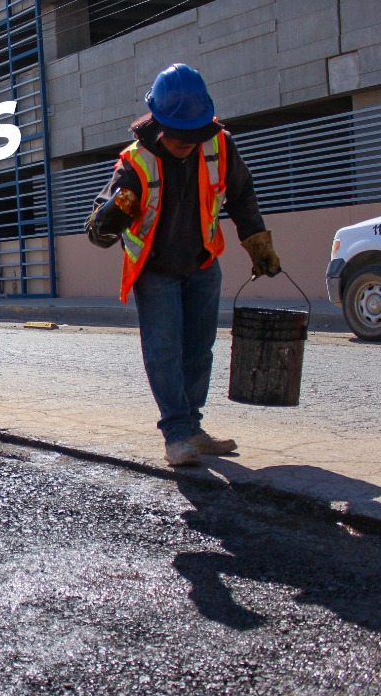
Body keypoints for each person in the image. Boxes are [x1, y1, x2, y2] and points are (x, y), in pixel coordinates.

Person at [85, 64, 281, 467]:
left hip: (202, 262)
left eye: (195, 133)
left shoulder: (219, 144)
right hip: (155, 271)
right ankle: (176, 433)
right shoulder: (135, 163)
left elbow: (241, 195)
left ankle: (193, 427)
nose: (188, 143)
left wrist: (257, 242)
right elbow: (97, 232)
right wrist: (111, 217)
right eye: (180, 134)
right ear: (158, 123)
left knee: (199, 350)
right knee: (164, 350)